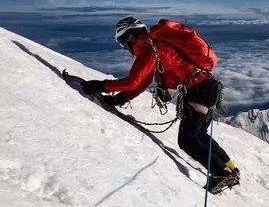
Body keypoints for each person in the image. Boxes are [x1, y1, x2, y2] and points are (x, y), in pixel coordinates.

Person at [83, 16, 240, 194]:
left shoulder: (150, 49)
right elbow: (142, 83)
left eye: (122, 42)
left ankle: (221, 173)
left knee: (187, 140)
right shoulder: (156, 46)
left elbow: (134, 82)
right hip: (207, 87)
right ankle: (230, 168)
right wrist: (118, 99)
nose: (124, 47)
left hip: (198, 90)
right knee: (199, 135)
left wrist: (101, 86)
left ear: (130, 37)